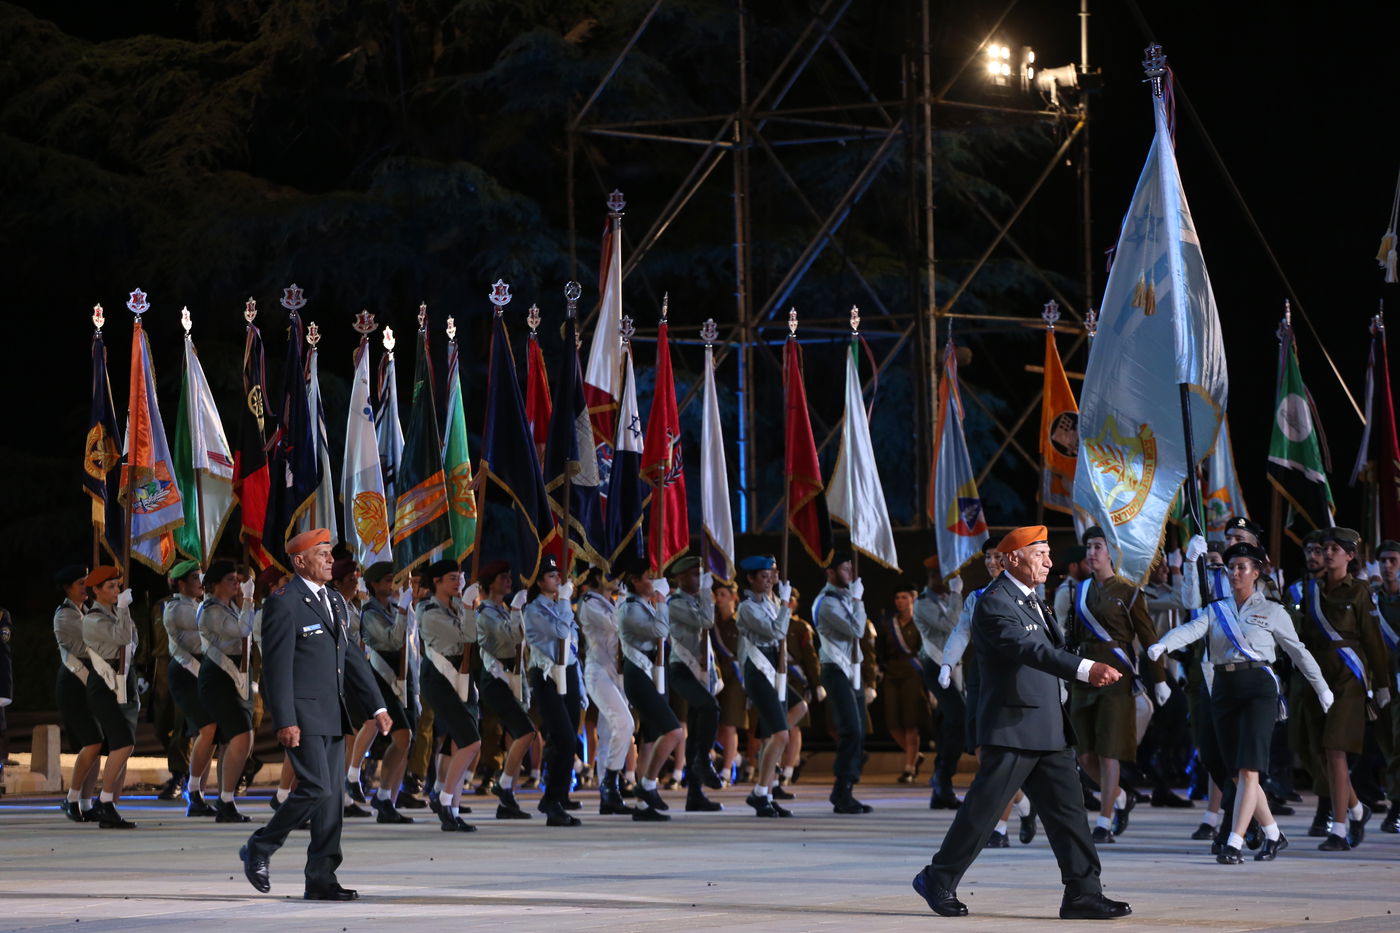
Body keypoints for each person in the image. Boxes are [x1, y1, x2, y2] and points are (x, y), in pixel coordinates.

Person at [912, 526, 1131, 921]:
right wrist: (1085, 668)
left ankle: (1083, 893)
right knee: (982, 812)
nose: (1049, 560)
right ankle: (937, 878)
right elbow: (1029, 650)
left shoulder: (1032, 599)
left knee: (1069, 814)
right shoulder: (995, 602)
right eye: (1040, 553)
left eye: (1049, 553)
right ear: (1013, 558)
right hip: (1014, 726)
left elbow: (1049, 649)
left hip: (1047, 724)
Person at [1148, 542, 1332, 864]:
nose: (1235, 573)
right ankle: (1274, 834)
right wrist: (1163, 644)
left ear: (1257, 572)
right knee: (1236, 772)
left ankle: (1234, 841)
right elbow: (1192, 628)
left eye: (1242, 567)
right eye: (1231, 567)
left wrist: (1322, 688)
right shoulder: (1217, 608)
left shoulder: (1273, 610)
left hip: (1258, 688)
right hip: (1223, 688)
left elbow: (1298, 651)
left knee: (1249, 769)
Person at [239, 529, 391, 900]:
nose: (329, 560)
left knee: (331, 801)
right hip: (303, 716)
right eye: (321, 553)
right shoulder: (284, 602)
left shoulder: (336, 601)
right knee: (316, 788)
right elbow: (275, 670)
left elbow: (351, 657)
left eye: (329, 553)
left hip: (333, 713)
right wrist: (285, 719)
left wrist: (378, 705)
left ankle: (321, 877)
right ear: (299, 561)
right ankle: (260, 845)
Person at [1068, 526, 1171, 843]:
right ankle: (1121, 797)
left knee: (1108, 752)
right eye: (1088, 547)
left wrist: (1160, 679)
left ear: (1112, 552)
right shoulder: (1081, 590)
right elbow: (1071, 636)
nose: (1091, 553)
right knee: (1085, 756)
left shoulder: (1129, 591)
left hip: (1117, 677)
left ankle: (1105, 819)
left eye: (1098, 546)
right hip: (1084, 675)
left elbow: (1148, 637)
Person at [1294, 527, 1390, 851]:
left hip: (1349, 678)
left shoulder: (1360, 591)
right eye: (1326, 547)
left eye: (1336, 548)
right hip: (1317, 677)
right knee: (1322, 753)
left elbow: (1374, 642)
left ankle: (1339, 829)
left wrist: (1382, 685)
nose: (1329, 552)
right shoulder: (1310, 591)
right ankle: (1358, 809)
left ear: (1351, 555)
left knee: (1336, 750)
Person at [417, 558, 483, 833]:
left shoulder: (453, 606)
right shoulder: (430, 612)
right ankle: (443, 800)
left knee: (461, 742)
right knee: (471, 742)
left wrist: (467, 606)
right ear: (437, 582)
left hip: (461, 673)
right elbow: (468, 635)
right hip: (440, 677)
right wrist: (469, 606)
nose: (459, 582)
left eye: (460, 577)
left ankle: (453, 810)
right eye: (452, 578)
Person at [736, 554, 801, 817]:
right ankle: (761, 792)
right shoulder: (747, 608)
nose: (769, 581)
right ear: (750, 579)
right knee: (782, 735)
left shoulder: (772, 600)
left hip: (774, 669)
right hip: (758, 670)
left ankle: (768, 752)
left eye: (771, 575)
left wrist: (780, 599)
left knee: (800, 707)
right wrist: (786, 604)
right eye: (763, 576)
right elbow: (776, 632)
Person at [474, 559, 539, 820]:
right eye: (502, 576)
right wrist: (516, 611)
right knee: (525, 732)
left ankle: (507, 795)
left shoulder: (501, 609)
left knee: (521, 734)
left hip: (511, 678)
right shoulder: (486, 613)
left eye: (509, 575)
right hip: (494, 679)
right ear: (491, 583)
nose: (508, 580)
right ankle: (503, 784)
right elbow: (509, 641)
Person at [523, 553, 583, 826]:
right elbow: (560, 631)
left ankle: (558, 796)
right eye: (550, 576)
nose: (557, 578)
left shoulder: (562, 604)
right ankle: (552, 799)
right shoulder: (534, 609)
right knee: (564, 738)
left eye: (558, 574)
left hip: (568, 673)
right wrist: (564, 601)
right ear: (539, 582)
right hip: (546, 674)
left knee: (568, 741)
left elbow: (573, 644)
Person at [196, 559, 257, 823]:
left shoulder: (229, 606)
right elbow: (242, 630)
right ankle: (225, 800)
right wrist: (249, 600)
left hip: (236, 674)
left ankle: (225, 798)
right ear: (216, 584)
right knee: (242, 735)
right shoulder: (211, 610)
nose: (237, 583)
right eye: (231, 579)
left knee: (236, 739)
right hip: (219, 676)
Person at [358, 561, 419, 822]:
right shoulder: (369, 613)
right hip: (381, 679)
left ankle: (389, 802)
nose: (391, 585)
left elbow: (411, 641)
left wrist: (405, 609)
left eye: (393, 580)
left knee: (408, 740)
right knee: (402, 736)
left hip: (404, 679)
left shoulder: (394, 607)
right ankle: (382, 796)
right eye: (386, 580)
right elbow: (393, 640)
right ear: (373, 584)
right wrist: (404, 611)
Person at [812, 551, 872, 813]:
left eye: (850, 568)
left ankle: (847, 787)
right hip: (835, 670)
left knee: (860, 732)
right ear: (830, 572)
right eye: (845, 569)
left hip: (852, 670)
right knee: (851, 730)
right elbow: (857, 629)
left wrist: (855, 599)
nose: (850, 573)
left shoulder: (846, 597)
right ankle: (841, 789)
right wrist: (858, 599)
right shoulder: (827, 602)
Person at [664, 556, 725, 810]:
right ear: (678, 578)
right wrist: (708, 592)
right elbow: (707, 621)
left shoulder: (695, 599)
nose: (697, 579)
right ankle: (702, 761)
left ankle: (694, 794)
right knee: (710, 708)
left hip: (699, 669)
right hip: (681, 669)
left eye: (699, 574)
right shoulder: (674, 602)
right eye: (691, 575)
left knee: (698, 726)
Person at [81, 566, 138, 829]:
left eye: (118, 585)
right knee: (122, 742)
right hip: (104, 684)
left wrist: (122, 611)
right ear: (96, 590)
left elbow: (133, 641)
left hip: (122, 679)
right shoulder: (93, 619)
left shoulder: (115, 612)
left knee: (126, 742)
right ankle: (104, 802)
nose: (117, 590)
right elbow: (124, 636)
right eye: (111, 586)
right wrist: (124, 610)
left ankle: (108, 803)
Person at [576, 566, 635, 815]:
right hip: (598, 672)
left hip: (616, 672)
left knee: (608, 731)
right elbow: (617, 625)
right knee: (625, 723)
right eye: (614, 576)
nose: (619, 580)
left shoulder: (609, 601)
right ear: (599, 577)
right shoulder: (589, 603)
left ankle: (607, 794)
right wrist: (625, 600)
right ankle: (611, 782)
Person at [913, 556, 964, 809]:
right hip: (935, 667)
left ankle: (941, 788)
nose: (943, 582)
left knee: (948, 724)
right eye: (939, 577)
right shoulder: (922, 603)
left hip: (954, 667)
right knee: (957, 719)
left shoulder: (948, 599)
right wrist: (956, 595)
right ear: (931, 577)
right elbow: (951, 624)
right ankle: (941, 778)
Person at [53, 564, 101, 822]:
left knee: (96, 743)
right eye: (81, 583)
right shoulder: (65, 615)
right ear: (67, 588)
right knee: (91, 741)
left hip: (89, 680)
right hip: (73, 681)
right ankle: (71, 799)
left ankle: (86, 801)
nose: (86, 587)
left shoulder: (86, 611)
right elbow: (93, 639)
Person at [879, 582, 930, 784]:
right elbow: (882, 649)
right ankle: (915, 756)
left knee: (911, 723)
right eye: (898, 598)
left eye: (905, 597)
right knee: (892, 722)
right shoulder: (889, 623)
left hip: (913, 674)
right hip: (892, 673)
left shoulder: (921, 622)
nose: (900, 601)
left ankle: (909, 767)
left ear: (913, 599)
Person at [1371, 539, 1400, 834]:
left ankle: (1397, 806)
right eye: (1383, 561)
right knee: (1386, 744)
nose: (1387, 567)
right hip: (1381, 683)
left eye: (1393, 560)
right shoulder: (1373, 600)